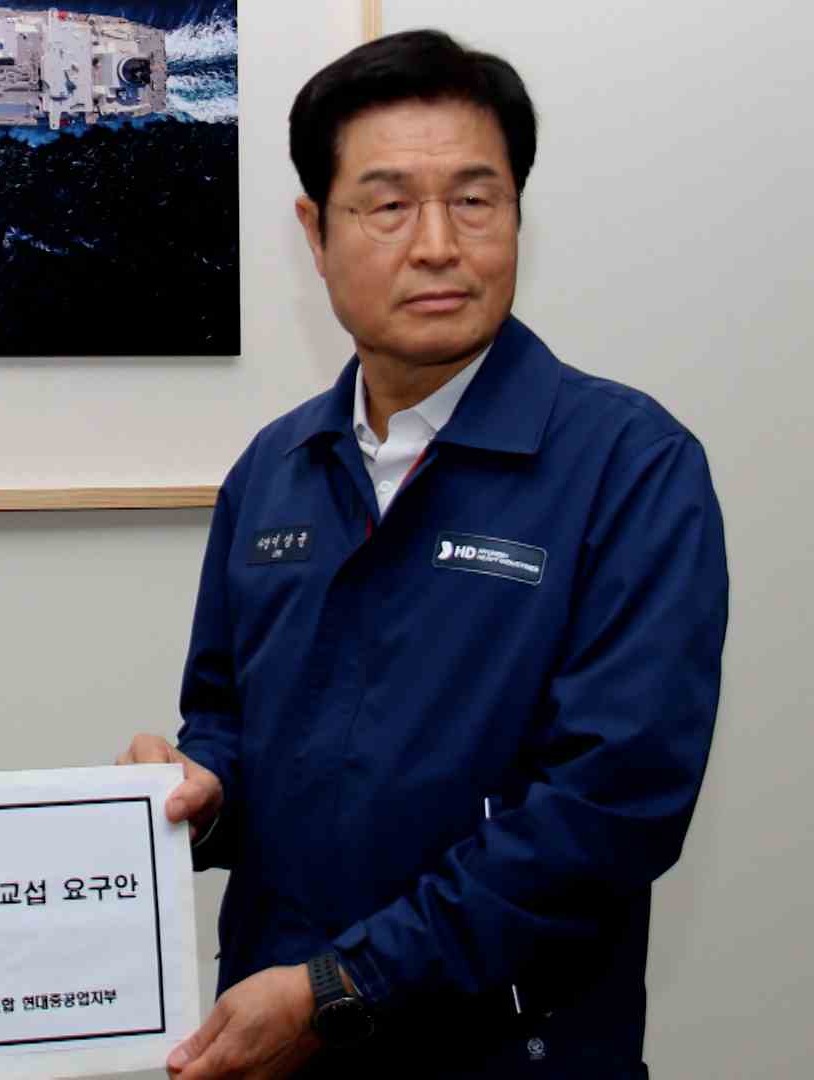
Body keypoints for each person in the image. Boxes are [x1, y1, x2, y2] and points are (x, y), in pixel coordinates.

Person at [119, 30, 727, 1079]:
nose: (439, 244)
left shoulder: (630, 466)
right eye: (389, 205)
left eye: (475, 200)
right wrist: (201, 791)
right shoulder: (275, 468)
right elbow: (225, 719)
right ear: (315, 234)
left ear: (519, 215)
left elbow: (610, 807)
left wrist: (346, 986)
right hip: (270, 1042)